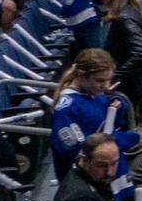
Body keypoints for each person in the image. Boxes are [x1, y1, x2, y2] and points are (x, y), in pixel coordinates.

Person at [50, 48, 135, 181]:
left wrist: (116, 103)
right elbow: (73, 150)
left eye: (109, 80)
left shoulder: (95, 94)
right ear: (82, 75)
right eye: (100, 81)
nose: (105, 85)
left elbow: (114, 123)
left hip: (109, 170)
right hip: (88, 178)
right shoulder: (67, 107)